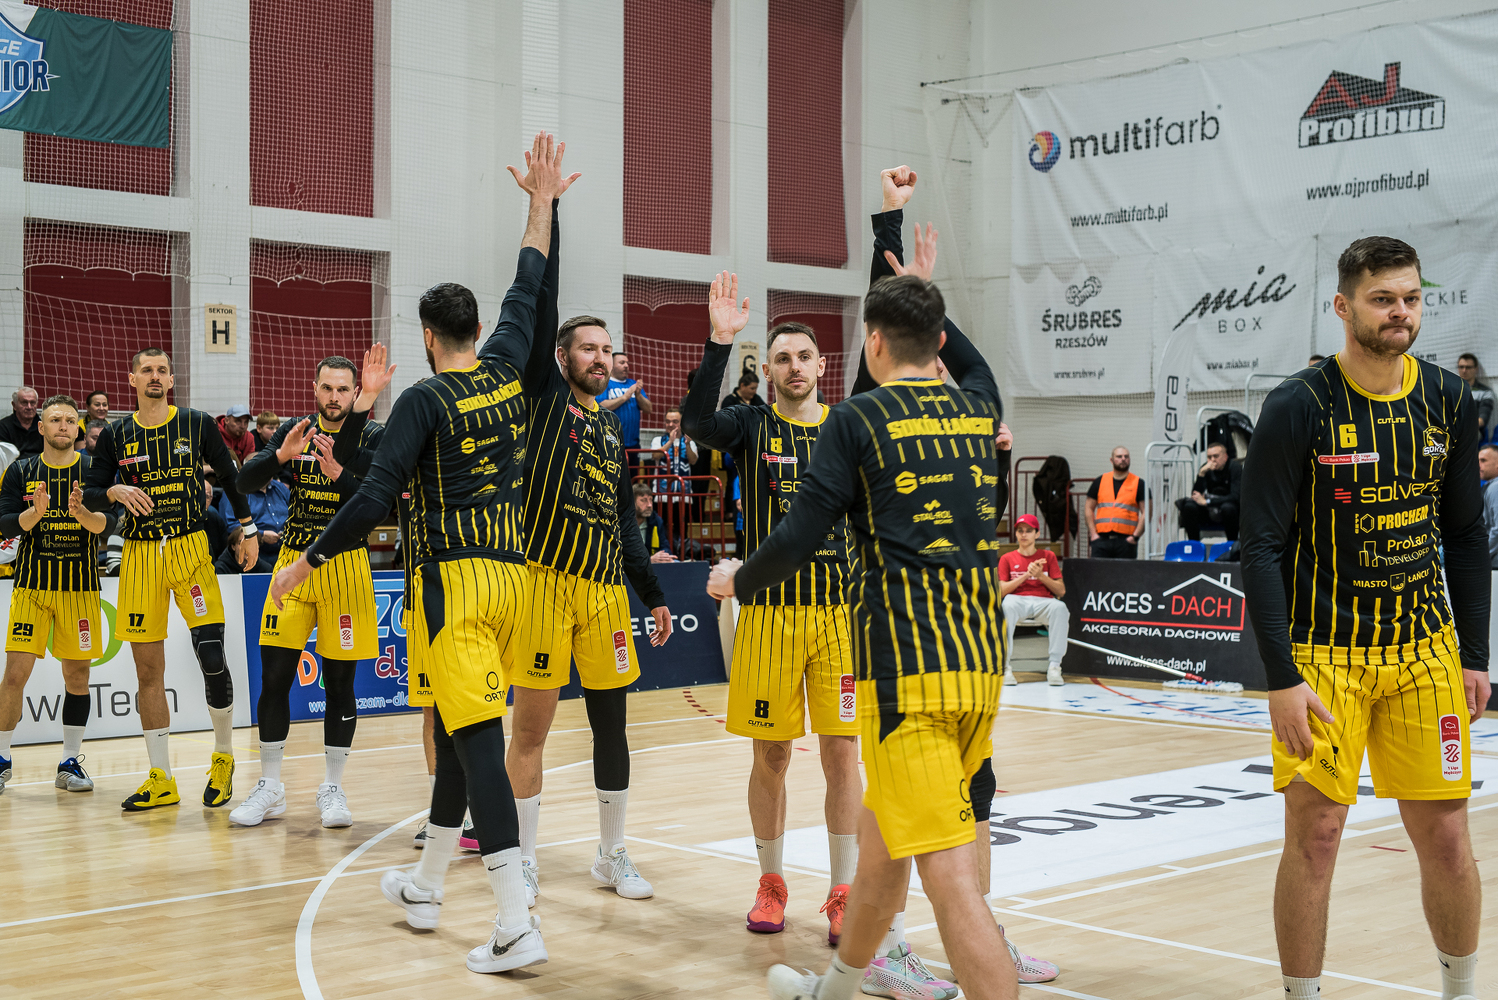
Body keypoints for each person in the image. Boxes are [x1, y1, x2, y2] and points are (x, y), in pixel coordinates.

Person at [271, 131, 572, 974]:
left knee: (475, 747)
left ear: (430, 336)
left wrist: (306, 561)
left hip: (455, 587)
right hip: (516, 579)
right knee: (458, 730)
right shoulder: (508, 368)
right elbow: (530, 282)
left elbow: (371, 501)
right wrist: (541, 205)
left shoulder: (425, 399)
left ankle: (514, 922)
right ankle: (427, 884)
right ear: (477, 328)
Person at [708, 242, 1017, 998]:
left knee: (948, 882)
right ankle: (837, 989)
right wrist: (921, 288)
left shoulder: (856, 420)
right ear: (938, 340)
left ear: (872, 344)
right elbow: (972, 361)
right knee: (880, 854)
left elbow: (799, 535)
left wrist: (738, 578)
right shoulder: (980, 407)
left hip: (907, 673)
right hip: (982, 668)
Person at [1240, 236, 1490, 1000]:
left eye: (1411, 298)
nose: (1400, 312)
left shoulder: (1448, 399)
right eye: (1383, 299)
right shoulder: (1298, 405)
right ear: (1344, 307)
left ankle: (1461, 991)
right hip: (1323, 659)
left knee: (1446, 836)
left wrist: (1474, 655)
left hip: (1425, 653)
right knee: (1315, 838)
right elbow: (1260, 547)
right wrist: (1281, 677)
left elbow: (1464, 535)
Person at [681, 280, 862, 947]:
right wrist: (718, 341)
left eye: (803, 357)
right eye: (782, 358)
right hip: (769, 617)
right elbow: (697, 422)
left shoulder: (848, 427)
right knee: (773, 756)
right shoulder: (752, 425)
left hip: (838, 618)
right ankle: (771, 881)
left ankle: (844, 891)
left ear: (821, 366)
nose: (793, 367)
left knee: (843, 756)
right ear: (770, 370)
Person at [507, 191, 672, 908]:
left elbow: (625, 524)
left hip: (605, 592)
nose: (601, 358)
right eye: (588, 348)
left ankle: (612, 852)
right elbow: (543, 296)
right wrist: (549, 210)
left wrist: (653, 594)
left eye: (607, 350)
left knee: (613, 728)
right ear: (562, 356)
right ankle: (522, 861)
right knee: (532, 730)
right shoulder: (543, 400)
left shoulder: (609, 428)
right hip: (543, 584)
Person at [83, 348, 259, 811]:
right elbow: (94, 493)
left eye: (162, 370)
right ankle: (160, 777)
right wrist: (114, 489)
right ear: (132, 379)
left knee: (212, 654)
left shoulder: (196, 423)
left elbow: (230, 475)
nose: (155, 376)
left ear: (172, 379)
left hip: (188, 549)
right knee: (148, 671)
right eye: (147, 370)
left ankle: (223, 757)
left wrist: (247, 529)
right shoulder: (116, 434)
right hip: (140, 556)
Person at [228, 351, 390, 829]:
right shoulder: (296, 431)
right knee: (275, 677)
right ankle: (270, 786)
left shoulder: (373, 436)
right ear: (314, 388)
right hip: (291, 565)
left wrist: (341, 475)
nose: (334, 397)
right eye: (327, 388)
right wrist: (280, 455)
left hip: (346, 565)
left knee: (339, 684)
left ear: (356, 393)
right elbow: (244, 480)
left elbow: (381, 505)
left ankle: (332, 787)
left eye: (343, 389)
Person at [0, 395, 118, 796]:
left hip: (80, 589)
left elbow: (109, 524)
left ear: (78, 428)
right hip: (31, 587)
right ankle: (1, 758)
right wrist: (33, 514)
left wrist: (83, 514)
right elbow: (5, 523)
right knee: (14, 675)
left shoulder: (94, 471)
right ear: (41, 427)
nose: (63, 425)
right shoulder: (21, 470)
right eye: (55, 419)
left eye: (69, 419)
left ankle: (69, 762)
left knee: (78, 677)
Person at [999, 515, 1067, 687]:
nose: (1024, 534)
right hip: (1017, 600)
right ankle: (1005, 667)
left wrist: (1040, 576)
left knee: (1060, 608)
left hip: (1043, 601)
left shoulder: (1048, 556)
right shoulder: (1007, 558)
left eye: (1029, 531)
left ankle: (1054, 666)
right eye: (1020, 531)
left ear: (1037, 534)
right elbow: (1001, 591)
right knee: (1006, 606)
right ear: (1016, 534)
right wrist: (1026, 575)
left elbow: (1061, 590)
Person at [216, 469, 288, 571]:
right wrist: (261, 535)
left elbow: (295, 513)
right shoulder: (237, 490)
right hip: (256, 551)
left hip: (284, 548)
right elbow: (231, 525)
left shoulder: (280, 488)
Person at [1084, 446, 1148, 558]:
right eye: (1119, 456)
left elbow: (1147, 512)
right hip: (1101, 540)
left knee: (1125, 570)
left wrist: (1135, 537)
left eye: (1126, 456)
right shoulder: (1100, 481)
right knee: (1099, 570)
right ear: (1111, 460)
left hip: (1126, 542)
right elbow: (1088, 508)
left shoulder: (1139, 483)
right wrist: (1093, 534)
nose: (1123, 459)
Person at [1175, 441, 1241, 542]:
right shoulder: (1206, 468)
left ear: (1225, 457)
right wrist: (1201, 474)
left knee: (1228, 508)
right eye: (1209, 457)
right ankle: (1194, 544)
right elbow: (1195, 495)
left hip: (1229, 509)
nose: (1212, 460)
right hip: (1210, 510)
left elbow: (1235, 497)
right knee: (1189, 507)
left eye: (1216, 456)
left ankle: (1232, 544)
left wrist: (1207, 502)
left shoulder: (1235, 468)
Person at [597, 351, 652, 451]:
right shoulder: (605, 383)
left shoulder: (633, 383)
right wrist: (625, 397)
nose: (626, 366)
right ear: (611, 365)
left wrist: (638, 395)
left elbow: (648, 409)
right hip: (610, 442)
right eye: (622, 363)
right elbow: (600, 406)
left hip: (633, 443)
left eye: (627, 363)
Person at [646, 408, 697, 496]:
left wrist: (687, 445)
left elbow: (693, 461)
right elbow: (655, 456)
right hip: (661, 493)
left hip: (684, 493)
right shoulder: (658, 440)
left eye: (675, 422)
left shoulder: (689, 442)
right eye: (667, 421)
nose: (670, 424)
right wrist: (670, 441)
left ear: (682, 423)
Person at [631, 482, 675, 562]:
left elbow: (665, 547)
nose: (649, 505)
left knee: (675, 563)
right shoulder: (622, 523)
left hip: (653, 564)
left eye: (650, 500)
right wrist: (649, 560)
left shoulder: (656, 521)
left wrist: (664, 556)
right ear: (632, 503)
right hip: (630, 567)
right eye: (643, 501)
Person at [1455, 353, 1493, 438]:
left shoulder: (1485, 392)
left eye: (1468, 367)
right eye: (1461, 367)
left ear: (1476, 369)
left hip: (1472, 431)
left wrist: (1462, 428)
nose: (1464, 370)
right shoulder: (1450, 390)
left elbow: (1483, 419)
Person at [0, 387, 43, 458]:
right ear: (14, 405)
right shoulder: (3, 427)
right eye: (24, 403)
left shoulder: (44, 426)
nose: (29, 407)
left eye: (32, 403)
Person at [1481, 444, 1498, 568]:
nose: (1479, 465)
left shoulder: (1495, 487)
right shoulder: (1491, 485)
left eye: (1483, 461)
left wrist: (1481, 556)